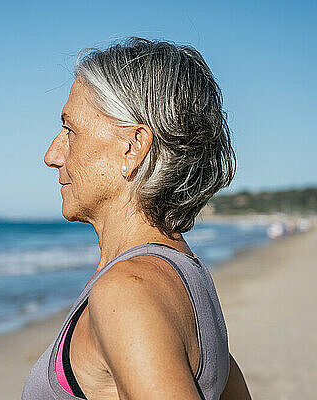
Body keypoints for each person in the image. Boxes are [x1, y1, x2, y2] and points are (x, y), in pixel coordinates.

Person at [21, 37, 252, 400]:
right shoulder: (186, 278)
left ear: (132, 147)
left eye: (70, 130)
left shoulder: (129, 290)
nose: (52, 155)